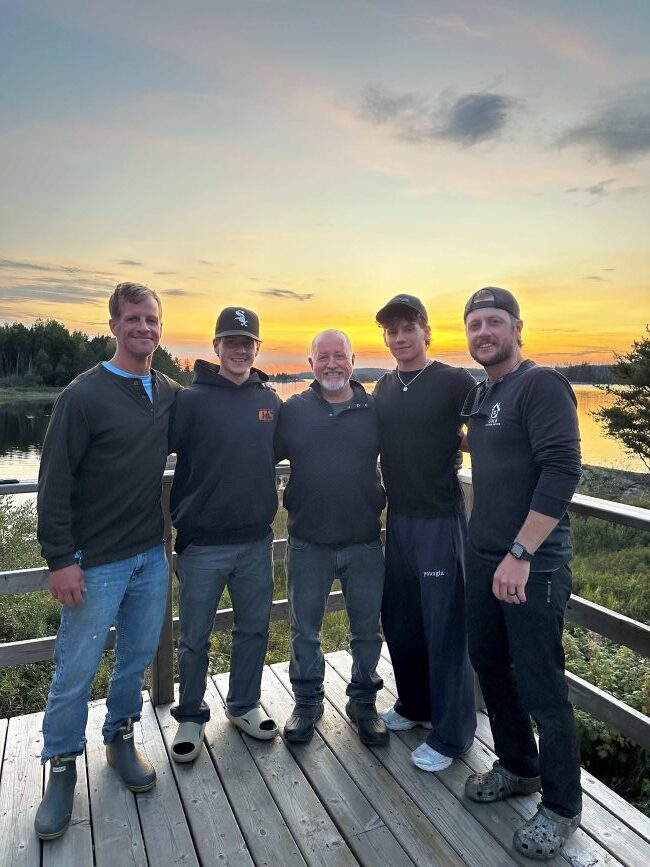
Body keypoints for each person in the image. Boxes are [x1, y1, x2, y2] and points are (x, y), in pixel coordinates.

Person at [35, 282, 180, 840]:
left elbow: (212, 414)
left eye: (151, 320)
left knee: (136, 657)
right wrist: (59, 560)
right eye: (133, 319)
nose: (144, 327)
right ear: (114, 324)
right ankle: (61, 765)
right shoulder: (83, 395)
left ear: (160, 327)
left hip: (149, 555)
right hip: (94, 562)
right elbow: (54, 482)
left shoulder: (166, 391)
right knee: (75, 667)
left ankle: (120, 736)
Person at [461, 286, 582, 860]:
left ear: (516, 328)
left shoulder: (542, 385)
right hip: (484, 557)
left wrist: (522, 552)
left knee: (543, 687)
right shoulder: (484, 392)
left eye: (494, 321)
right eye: (475, 324)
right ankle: (518, 765)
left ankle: (561, 807)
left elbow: (562, 469)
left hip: (532, 565)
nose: (483, 332)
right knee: (489, 664)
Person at [169, 307, 281, 761]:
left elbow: (294, 448)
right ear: (216, 346)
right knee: (194, 636)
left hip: (256, 542)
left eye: (247, 342)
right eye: (230, 341)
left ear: (257, 348)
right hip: (201, 545)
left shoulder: (271, 402)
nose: (239, 349)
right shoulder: (190, 401)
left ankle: (243, 705)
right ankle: (191, 715)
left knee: (253, 629)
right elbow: (151, 449)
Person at [373, 294, 477, 772]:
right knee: (402, 619)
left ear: (426, 332)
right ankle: (415, 705)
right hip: (400, 518)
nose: (400, 338)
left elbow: (485, 430)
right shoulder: (383, 387)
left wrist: (459, 444)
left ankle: (452, 734)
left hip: (439, 519)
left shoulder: (454, 381)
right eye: (392, 331)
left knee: (445, 628)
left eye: (408, 328)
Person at [276, 330, 388, 746]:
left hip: (364, 542)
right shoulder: (294, 409)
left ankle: (363, 702)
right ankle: (308, 702)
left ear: (353, 360)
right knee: (304, 631)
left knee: (367, 631)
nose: (331, 364)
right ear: (311, 364)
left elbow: (411, 450)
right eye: (322, 357)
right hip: (308, 543)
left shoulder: (373, 409)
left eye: (339, 355)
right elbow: (256, 452)